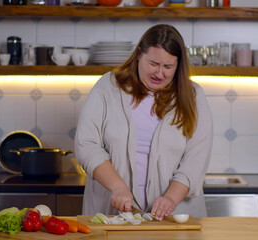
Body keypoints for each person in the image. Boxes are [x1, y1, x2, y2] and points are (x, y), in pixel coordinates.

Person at [74, 24, 213, 220]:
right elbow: (87, 145)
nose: (160, 73)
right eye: (153, 64)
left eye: (168, 66)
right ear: (139, 54)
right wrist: (117, 187)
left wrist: (170, 199)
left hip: (175, 216)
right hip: (113, 215)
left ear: (178, 65)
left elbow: (196, 160)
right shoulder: (107, 87)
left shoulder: (193, 96)